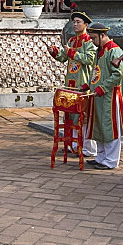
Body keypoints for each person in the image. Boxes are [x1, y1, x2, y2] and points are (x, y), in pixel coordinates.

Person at [49, 11, 98, 158]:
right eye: (74, 22)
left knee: (84, 116)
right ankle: (74, 144)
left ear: (86, 25)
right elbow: (64, 58)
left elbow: (89, 59)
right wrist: (55, 52)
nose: (75, 24)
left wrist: (72, 53)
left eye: (78, 22)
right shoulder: (71, 41)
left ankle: (88, 148)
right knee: (71, 115)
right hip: (70, 82)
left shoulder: (90, 42)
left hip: (83, 83)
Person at [80, 22, 123, 170]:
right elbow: (95, 71)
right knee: (98, 126)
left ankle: (111, 160)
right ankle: (100, 157)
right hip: (98, 95)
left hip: (110, 96)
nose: (92, 42)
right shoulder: (100, 50)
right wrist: (88, 84)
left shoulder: (114, 51)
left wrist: (103, 87)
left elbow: (118, 74)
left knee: (110, 127)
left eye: (94, 38)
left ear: (102, 35)